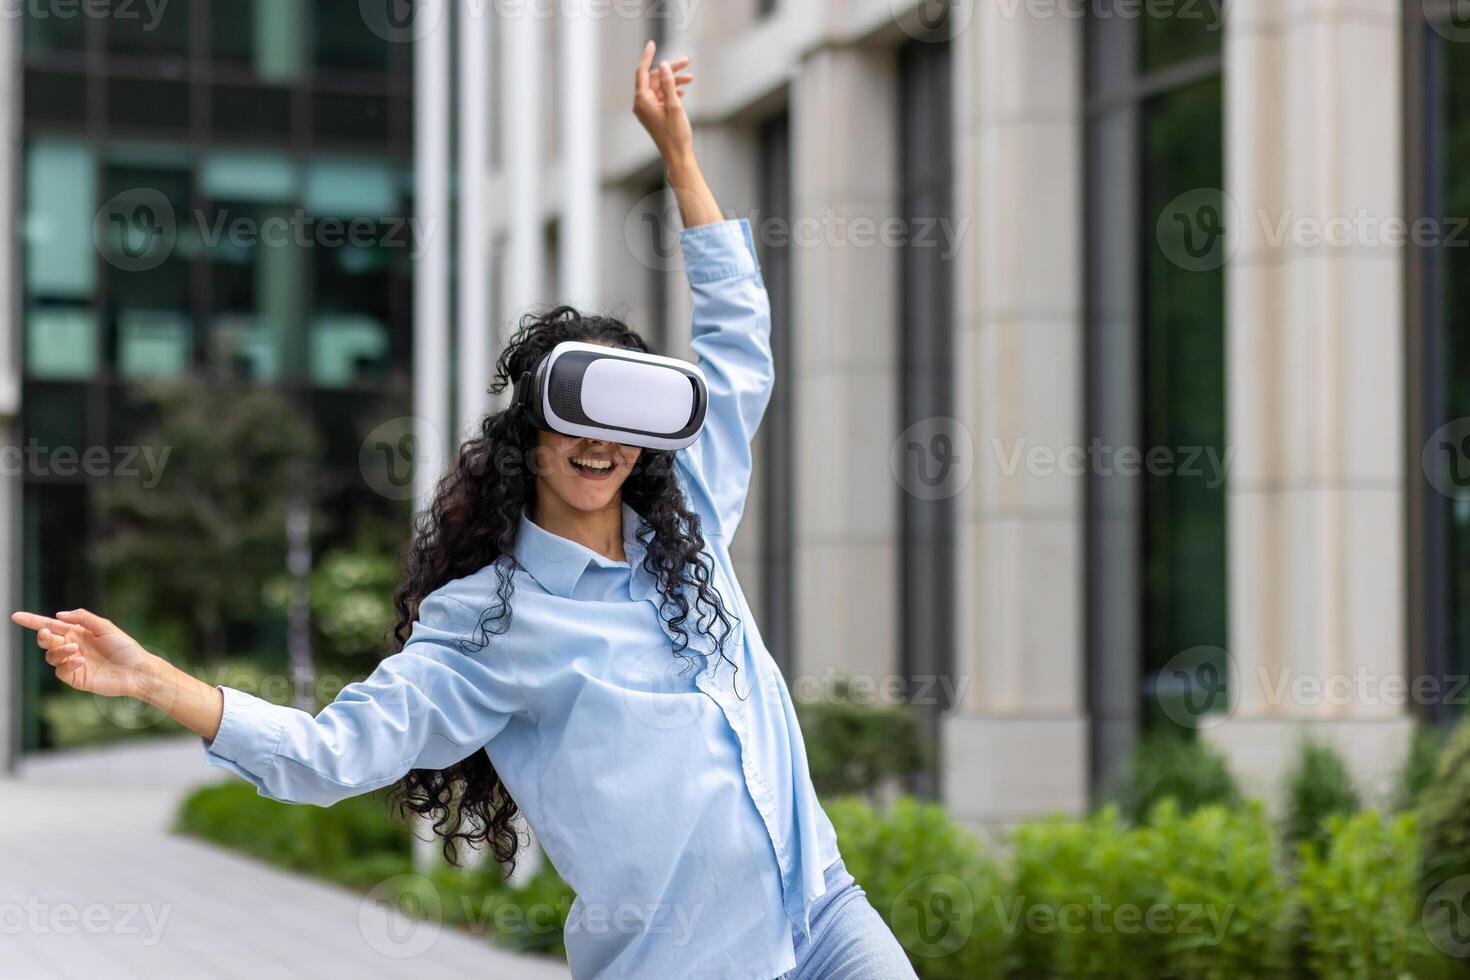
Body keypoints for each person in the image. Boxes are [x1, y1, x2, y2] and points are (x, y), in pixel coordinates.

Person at [14, 41, 919, 980]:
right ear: (531, 433)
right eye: (576, 419)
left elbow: (741, 348)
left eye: (624, 422)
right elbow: (334, 752)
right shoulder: (493, 621)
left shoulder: (686, 527)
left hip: (823, 913)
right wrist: (158, 681)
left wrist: (680, 156)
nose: (601, 445)